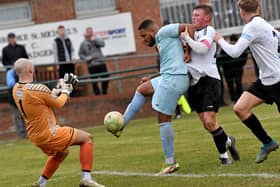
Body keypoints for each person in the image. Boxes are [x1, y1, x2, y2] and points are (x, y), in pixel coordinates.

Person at [108, 19, 193, 175]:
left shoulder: (164, 31)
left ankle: (170, 163)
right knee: (142, 89)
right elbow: (170, 64)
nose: (143, 40)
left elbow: (189, 27)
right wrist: (152, 77)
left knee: (163, 119)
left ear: (152, 31)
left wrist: (188, 51)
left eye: (143, 36)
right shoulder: (160, 43)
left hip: (175, 79)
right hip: (168, 76)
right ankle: (122, 123)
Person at [12, 58, 104, 187]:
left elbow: (41, 100)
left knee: (62, 153)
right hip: (50, 133)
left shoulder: (16, 89)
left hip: (35, 136)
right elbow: (59, 103)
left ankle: (40, 183)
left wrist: (57, 90)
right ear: (30, 70)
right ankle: (86, 179)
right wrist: (66, 91)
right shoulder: (38, 88)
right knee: (87, 138)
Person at [215, 0, 280, 163]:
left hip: (278, 81)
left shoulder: (253, 26)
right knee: (240, 108)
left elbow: (235, 52)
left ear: (241, 12)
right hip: (265, 81)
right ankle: (267, 142)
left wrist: (220, 40)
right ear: (258, 8)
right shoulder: (266, 25)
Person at [181, 4, 240, 165]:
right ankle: (228, 140)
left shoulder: (209, 30)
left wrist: (186, 38)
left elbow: (201, 49)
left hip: (209, 80)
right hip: (193, 82)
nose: (194, 17)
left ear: (207, 18)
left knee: (209, 120)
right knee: (207, 125)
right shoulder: (190, 32)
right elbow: (188, 52)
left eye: (197, 15)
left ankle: (224, 157)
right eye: (193, 15)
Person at [218, 34, 248, 104]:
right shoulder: (226, 48)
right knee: (230, 84)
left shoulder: (239, 47)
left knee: (238, 83)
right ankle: (234, 99)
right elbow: (221, 59)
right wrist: (224, 66)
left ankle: (240, 99)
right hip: (228, 70)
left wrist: (240, 65)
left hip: (237, 69)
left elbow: (244, 56)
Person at [79, 27, 109, 95]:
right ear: (86, 33)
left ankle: (104, 93)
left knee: (106, 78)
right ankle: (97, 94)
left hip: (101, 63)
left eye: (91, 32)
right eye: (88, 32)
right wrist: (86, 58)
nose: (90, 33)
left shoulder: (96, 39)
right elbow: (80, 54)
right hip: (91, 65)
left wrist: (94, 39)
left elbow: (103, 44)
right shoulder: (83, 43)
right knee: (94, 81)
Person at [6, 68, 26, 138]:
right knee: (17, 116)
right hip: (13, 98)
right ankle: (21, 134)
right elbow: (11, 84)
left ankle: (27, 133)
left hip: (23, 98)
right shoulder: (11, 73)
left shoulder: (24, 73)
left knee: (24, 115)